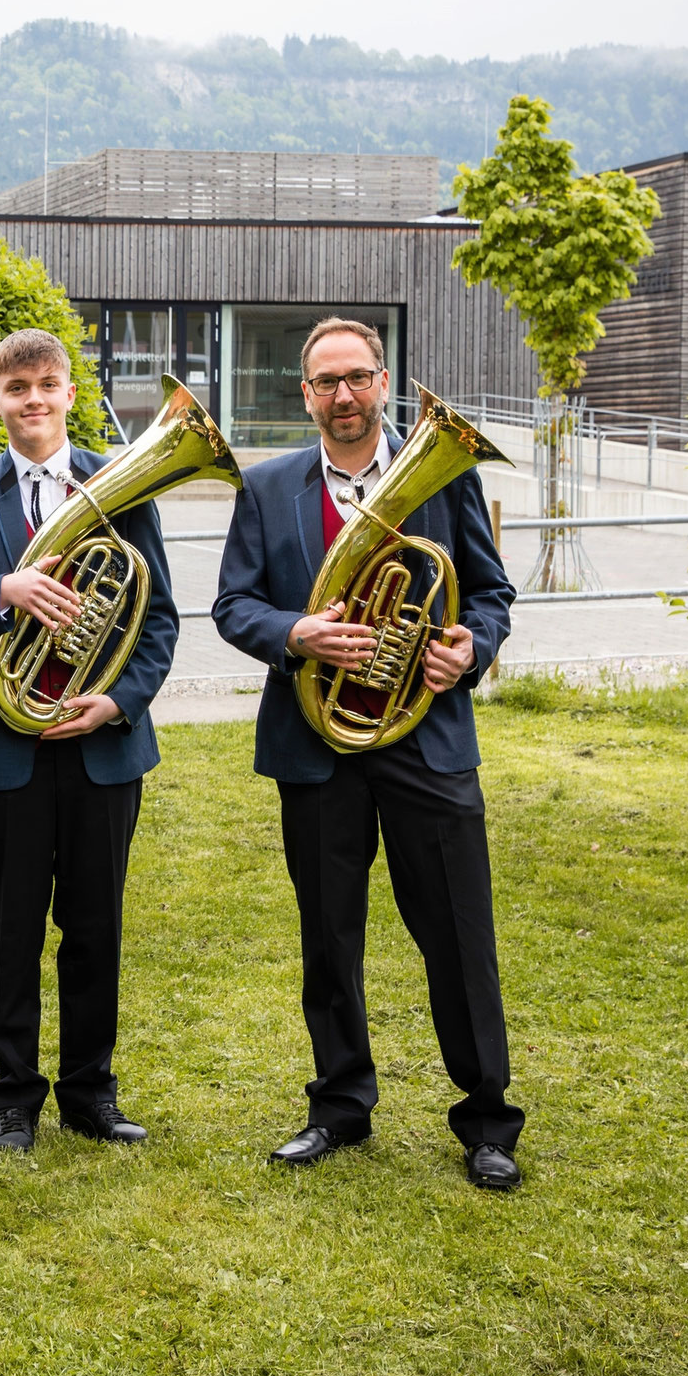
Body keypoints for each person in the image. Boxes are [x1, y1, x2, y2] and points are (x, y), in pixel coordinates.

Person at [211, 315, 524, 1190]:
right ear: (304, 394)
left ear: (383, 380)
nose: (343, 396)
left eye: (357, 378)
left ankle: (488, 1119)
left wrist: (472, 650)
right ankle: (340, 1107)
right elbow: (234, 606)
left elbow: (491, 593)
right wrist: (295, 632)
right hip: (318, 747)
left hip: (427, 741)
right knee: (329, 937)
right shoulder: (269, 488)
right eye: (325, 383)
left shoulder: (445, 471)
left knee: (458, 933)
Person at [0, 328, 178, 1153]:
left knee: (97, 927)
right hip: (4, 747)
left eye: (47, 384)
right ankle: (14, 1099)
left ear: (71, 392)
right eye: (17, 387)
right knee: (14, 931)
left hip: (101, 746)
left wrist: (119, 701)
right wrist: (5, 589)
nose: (33, 399)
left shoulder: (122, 484)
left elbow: (158, 616)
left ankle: (91, 1093)